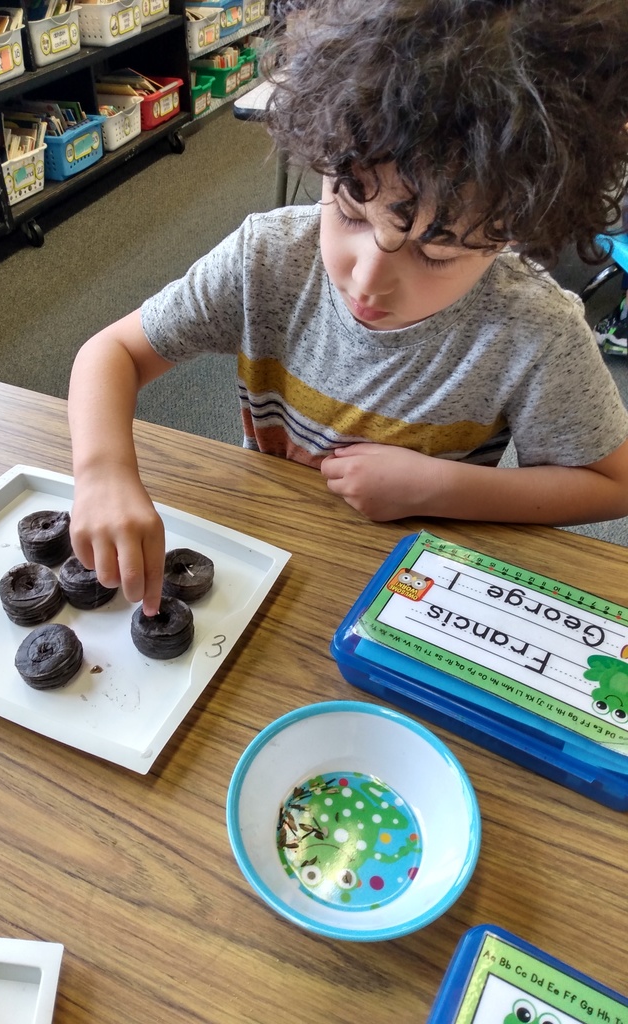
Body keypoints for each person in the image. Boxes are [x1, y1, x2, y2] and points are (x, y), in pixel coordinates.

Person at [68, 0, 628, 616]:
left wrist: (441, 487)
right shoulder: (269, 257)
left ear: (516, 226)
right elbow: (112, 352)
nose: (368, 279)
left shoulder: (536, 331)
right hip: (269, 554)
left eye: (434, 253)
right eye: (351, 211)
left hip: (411, 593)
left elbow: (612, 485)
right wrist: (103, 473)